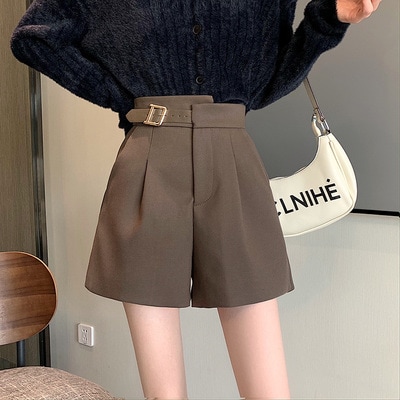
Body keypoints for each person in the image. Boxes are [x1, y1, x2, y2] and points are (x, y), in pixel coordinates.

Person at [11, 1, 381, 398]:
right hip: (149, 163)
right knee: (164, 394)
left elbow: (269, 83)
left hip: (231, 160)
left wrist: (329, 20)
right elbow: (34, 38)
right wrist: (118, 95)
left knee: (269, 392)